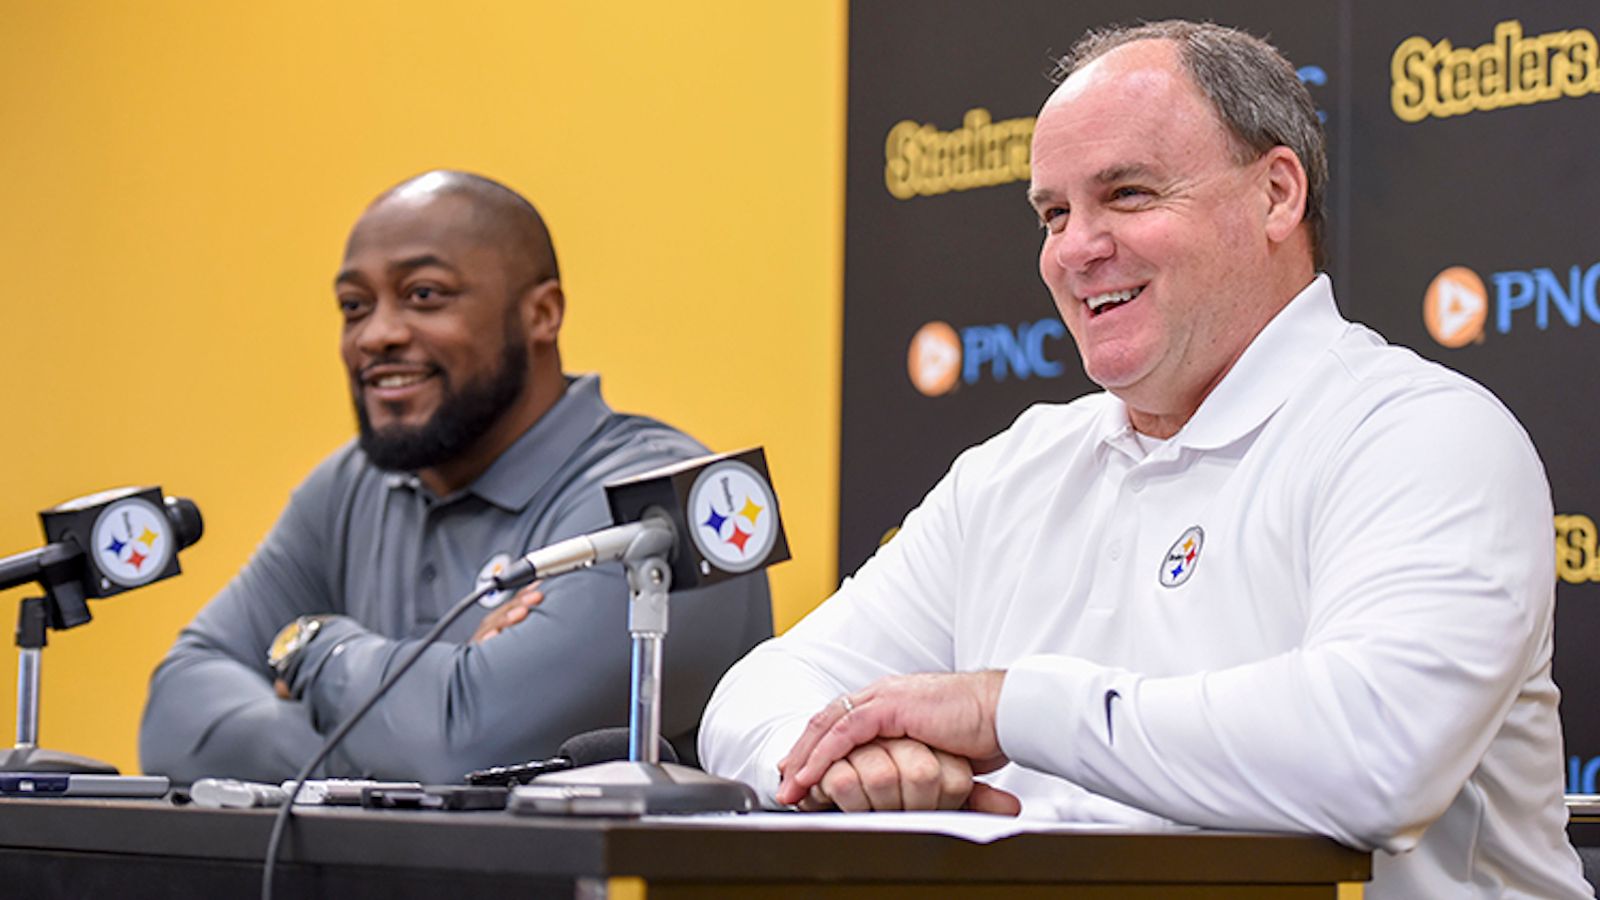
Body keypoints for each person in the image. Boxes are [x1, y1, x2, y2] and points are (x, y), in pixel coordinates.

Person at [699, 21, 1590, 899]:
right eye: (1054, 213)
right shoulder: (1017, 469)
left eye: (1126, 194)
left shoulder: (1419, 435)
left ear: (1277, 194)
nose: (1075, 250)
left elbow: (1377, 758)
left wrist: (1006, 709)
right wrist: (841, 763)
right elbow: (760, 691)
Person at [140, 170, 772, 784]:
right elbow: (176, 716)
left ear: (542, 313)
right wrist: (410, 721)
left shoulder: (661, 502)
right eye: (354, 306)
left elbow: (472, 742)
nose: (377, 335)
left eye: (424, 295)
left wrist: (314, 646)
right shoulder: (349, 487)